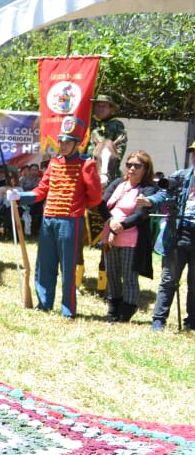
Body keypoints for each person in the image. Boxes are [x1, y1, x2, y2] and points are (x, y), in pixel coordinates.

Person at [10, 116, 103, 318]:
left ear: (77, 144)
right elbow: (41, 191)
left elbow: (95, 197)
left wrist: (80, 204)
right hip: (49, 218)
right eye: (61, 141)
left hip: (70, 220)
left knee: (68, 266)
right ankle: (44, 303)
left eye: (68, 142)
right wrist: (20, 197)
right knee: (45, 263)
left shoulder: (86, 164)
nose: (63, 145)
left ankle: (68, 308)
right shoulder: (53, 163)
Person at [138, 141, 195, 331]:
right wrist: (149, 201)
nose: (194, 157)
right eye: (193, 153)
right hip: (178, 233)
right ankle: (159, 320)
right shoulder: (182, 176)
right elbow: (163, 193)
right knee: (169, 279)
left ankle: (192, 321)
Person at [96, 150, 156, 323]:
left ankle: (126, 312)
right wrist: (110, 221)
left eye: (137, 166)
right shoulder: (117, 183)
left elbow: (140, 214)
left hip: (131, 239)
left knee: (129, 277)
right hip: (109, 236)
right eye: (129, 165)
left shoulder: (148, 189)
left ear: (146, 168)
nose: (131, 169)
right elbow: (101, 204)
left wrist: (119, 227)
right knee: (112, 274)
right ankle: (113, 309)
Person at [85, 94, 127, 187]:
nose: (100, 109)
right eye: (98, 106)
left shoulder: (117, 124)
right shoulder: (89, 122)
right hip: (88, 162)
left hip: (108, 164)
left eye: (103, 106)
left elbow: (121, 144)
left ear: (111, 109)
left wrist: (114, 161)